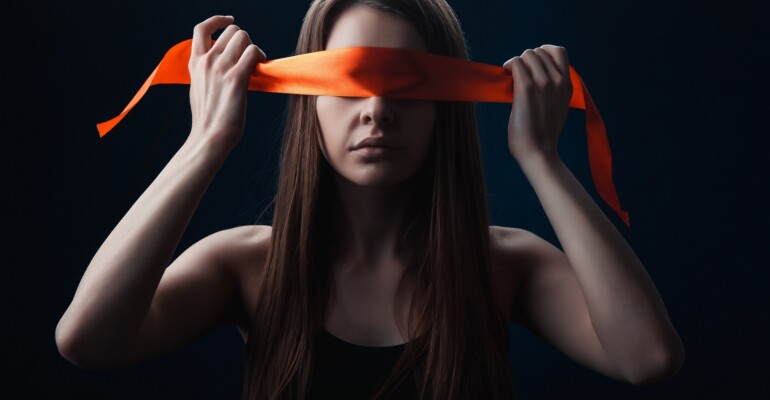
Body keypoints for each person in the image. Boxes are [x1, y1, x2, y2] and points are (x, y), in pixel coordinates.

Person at [56, 0, 685, 399]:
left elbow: (648, 358)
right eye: (351, 82)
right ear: (309, 100)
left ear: (448, 107)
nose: (377, 111)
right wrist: (206, 141)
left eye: (407, 85)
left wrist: (542, 159)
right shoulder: (247, 266)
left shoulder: (503, 264)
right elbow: (87, 340)